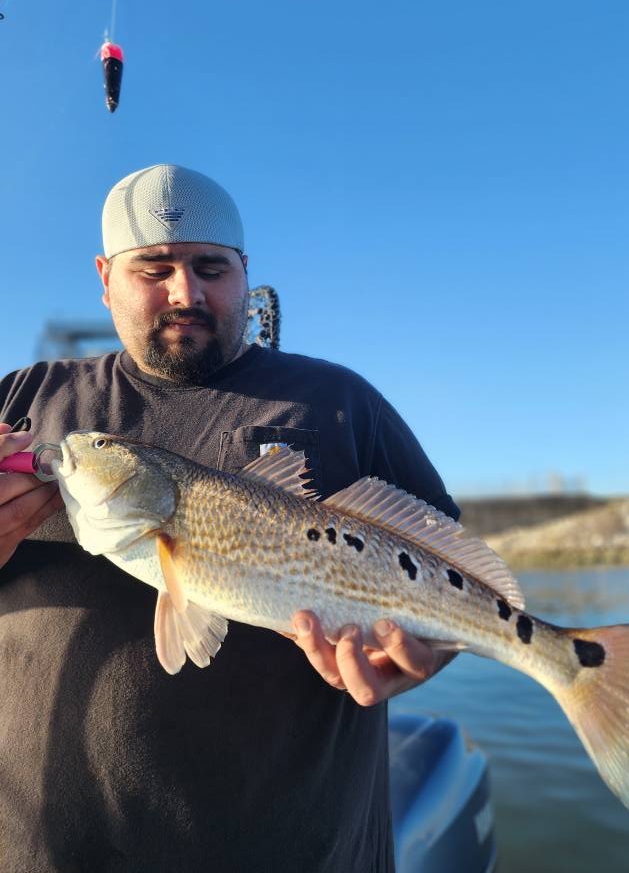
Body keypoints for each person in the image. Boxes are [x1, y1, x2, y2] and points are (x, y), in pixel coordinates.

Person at [0, 164, 460, 873]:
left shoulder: (340, 401)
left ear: (245, 274)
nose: (186, 292)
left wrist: (422, 654)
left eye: (211, 267)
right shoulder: (23, 398)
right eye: (155, 267)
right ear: (104, 276)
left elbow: (450, 579)